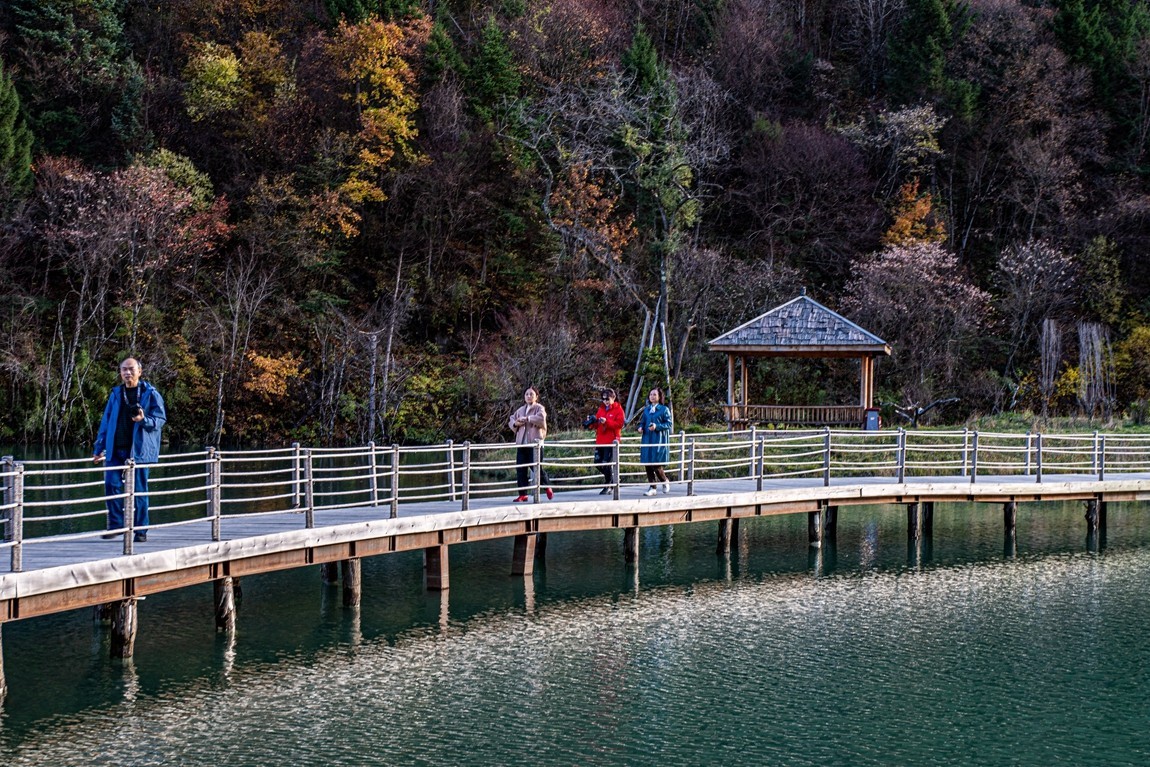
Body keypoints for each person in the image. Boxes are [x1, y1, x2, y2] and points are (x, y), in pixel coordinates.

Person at [92, 357, 167, 542]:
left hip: (139, 450)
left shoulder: (151, 393)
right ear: (120, 372)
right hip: (115, 449)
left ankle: (140, 531)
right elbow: (106, 421)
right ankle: (116, 525)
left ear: (140, 371)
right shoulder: (116, 393)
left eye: (131, 369)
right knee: (111, 485)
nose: (127, 372)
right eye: (124, 369)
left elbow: (160, 420)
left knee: (139, 491)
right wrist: (99, 447)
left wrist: (143, 420)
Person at [508, 386, 554, 502]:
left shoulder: (539, 408)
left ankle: (547, 486)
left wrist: (528, 418)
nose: (529, 396)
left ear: (536, 397)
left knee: (536, 467)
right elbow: (511, 419)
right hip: (522, 444)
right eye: (527, 394)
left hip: (535, 445)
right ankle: (523, 494)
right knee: (521, 469)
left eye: (531, 394)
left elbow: (541, 419)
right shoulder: (520, 410)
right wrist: (516, 423)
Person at [586, 387, 625, 494]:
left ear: (613, 398)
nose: (605, 401)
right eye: (603, 399)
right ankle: (612, 481)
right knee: (597, 463)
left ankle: (608, 484)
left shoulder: (618, 409)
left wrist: (606, 422)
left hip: (611, 441)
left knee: (606, 463)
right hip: (600, 440)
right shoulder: (601, 409)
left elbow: (620, 424)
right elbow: (596, 424)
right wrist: (591, 422)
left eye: (607, 399)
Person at [638, 387, 673, 496]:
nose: (652, 396)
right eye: (651, 394)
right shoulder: (647, 410)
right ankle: (652, 487)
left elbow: (669, 424)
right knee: (647, 463)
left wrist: (657, 426)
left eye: (654, 394)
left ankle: (664, 480)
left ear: (659, 396)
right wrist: (640, 427)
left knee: (656, 464)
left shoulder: (664, 409)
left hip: (658, 439)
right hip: (647, 439)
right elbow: (642, 422)